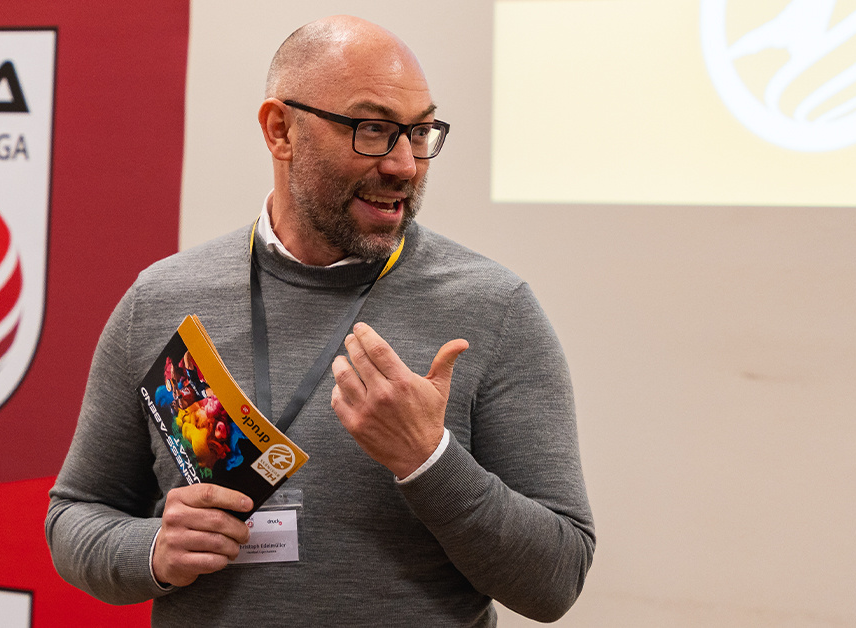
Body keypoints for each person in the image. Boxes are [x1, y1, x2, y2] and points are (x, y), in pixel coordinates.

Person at [46, 15, 594, 626]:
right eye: (373, 130)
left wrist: (428, 460)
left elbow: (556, 580)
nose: (405, 164)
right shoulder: (163, 298)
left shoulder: (492, 309)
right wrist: (150, 550)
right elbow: (77, 513)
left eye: (419, 133)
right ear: (280, 130)